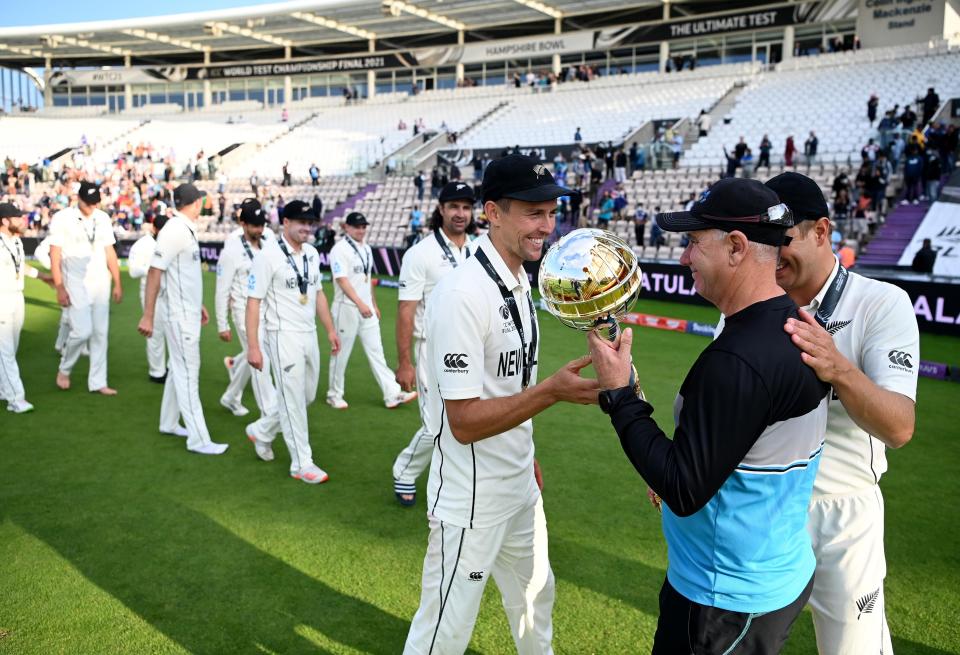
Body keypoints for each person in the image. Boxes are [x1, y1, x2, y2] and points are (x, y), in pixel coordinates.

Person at [588, 177, 829, 654]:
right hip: (763, 575)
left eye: (694, 243)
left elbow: (682, 487)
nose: (683, 257)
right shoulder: (792, 324)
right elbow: (728, 450)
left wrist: (619, 395)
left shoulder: (739, 359)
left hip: (726, 597)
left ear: (737, 248)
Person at [403, 154, 600, 654]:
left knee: (537, 602)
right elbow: (465, 422)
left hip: (518, 486)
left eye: (552, 212)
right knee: (444, 630)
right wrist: (552, 392)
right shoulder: (461, 293)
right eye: (533, 212)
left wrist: (525, 452)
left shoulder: (519, 278)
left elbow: (507, 386)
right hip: (472, 499)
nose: (546, 226)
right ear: (492, 211)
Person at [766, 172, 919, 654]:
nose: (773, 256)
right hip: (765, 507)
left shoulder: (880, 303)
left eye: (783, 240)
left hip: (843, 516)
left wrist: (838, 369)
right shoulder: (749, 308)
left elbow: (899, 426)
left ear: (822, 231)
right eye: (764, 242)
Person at [391, 182, 476, 507]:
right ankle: (405, 470)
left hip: (472, 348)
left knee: (470, 419)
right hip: (433, 350)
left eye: (466, 207)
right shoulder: (420, 253)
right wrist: (404, 362)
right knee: (436, 425)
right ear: (440, 209)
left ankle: (461, 479)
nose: (460, 213)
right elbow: (406, 310)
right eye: (453, 206)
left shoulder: (479, 249)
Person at [244, 200, 340, 484]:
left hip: (308, 332)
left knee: (307, 396)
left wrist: (331, 330)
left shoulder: (311, 253)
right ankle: (302, 463)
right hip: (281, 334)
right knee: (293, 400)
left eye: (310, 223)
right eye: (301, 222)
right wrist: (253, 346)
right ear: (285, 223)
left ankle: (261, 430)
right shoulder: (268, 256)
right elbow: (253, 303)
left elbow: (319, 293)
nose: (306, 228)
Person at [137, 183, 229, 456]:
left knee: (180, 370)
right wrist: (148, 315)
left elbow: (181, 273)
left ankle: (168, 422)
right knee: (189, 373)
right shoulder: (176, 229)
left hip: (186, 312)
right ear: (197, 203)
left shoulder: (183, 228)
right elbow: (155, 271)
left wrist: (197, 302)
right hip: (178, 317)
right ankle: (199, 439)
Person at [327, 212, 417, 410]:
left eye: (363, 227)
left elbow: (368, 280)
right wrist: (360, 303)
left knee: (377, 352)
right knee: (341, 353)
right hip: (347, 308)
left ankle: (391, 394)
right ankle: (334, 394)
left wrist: (373, 303)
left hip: (366, 309)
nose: (361, 230)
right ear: (347, 228)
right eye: (357, 227)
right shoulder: (339, 249)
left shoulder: (366, 248)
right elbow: (342, 280)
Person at [49, 181, 122, 394]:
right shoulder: (62, 218)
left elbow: (110, 251)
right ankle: (65, 368)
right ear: (78, 199)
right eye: (88, 203)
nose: (92, 207)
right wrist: (59, 287)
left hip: (101, 282)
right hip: (75, 282)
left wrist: (117, 282)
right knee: (81, 332)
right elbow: (55, 255)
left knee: (100, 334)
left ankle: (98, 382)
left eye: (95, 203)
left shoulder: (103, 218)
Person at [215, 199, 275, 418]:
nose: (258, 230)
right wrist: (222, 324)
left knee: (255, 356)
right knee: (261, 360)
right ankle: (269, 414)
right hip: (242, 311)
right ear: (243, 224)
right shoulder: (231, 250)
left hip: (266, 310)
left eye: (261, 225)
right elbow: (222, 290)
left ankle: (230, 397)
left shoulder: (269, 242)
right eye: (254, 226)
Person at [0, 203, 50, 413]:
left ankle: (4, 388)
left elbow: (20, 266)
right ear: (5, 221)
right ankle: (16, 399)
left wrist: (43, 277)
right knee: (5, 352)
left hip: (17, 298)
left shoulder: (17, 241)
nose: (22, 221)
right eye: (17, 218)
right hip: (2, 299)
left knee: (12, 348)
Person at [128, 214, 168, 383]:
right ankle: (157, 372)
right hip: (150, 292)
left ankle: (164, 367)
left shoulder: (168, 242)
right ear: (154, 228)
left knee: (169, 330)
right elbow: (133, 270)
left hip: (168, 293)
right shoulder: (143, 244)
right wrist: (154, 270)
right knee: (155, 332)